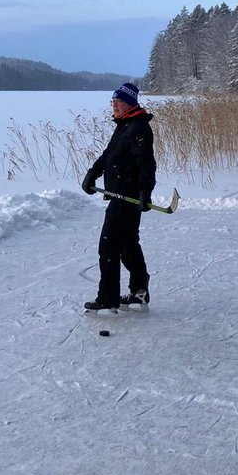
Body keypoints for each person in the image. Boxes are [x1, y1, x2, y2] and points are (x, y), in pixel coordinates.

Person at [81, 82, 155, 311]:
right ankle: (139, 291)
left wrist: (145, 191)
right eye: (112, 102)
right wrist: (93, 173)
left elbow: (147, 163)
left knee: (109, 246)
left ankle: (107, 297)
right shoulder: (125, 125)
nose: (114, 106)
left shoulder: (138, 127)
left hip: (126, 197)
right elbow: (109, 154)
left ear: (130, 104)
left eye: (118, 102)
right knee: (128, 245)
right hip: (121, 194)